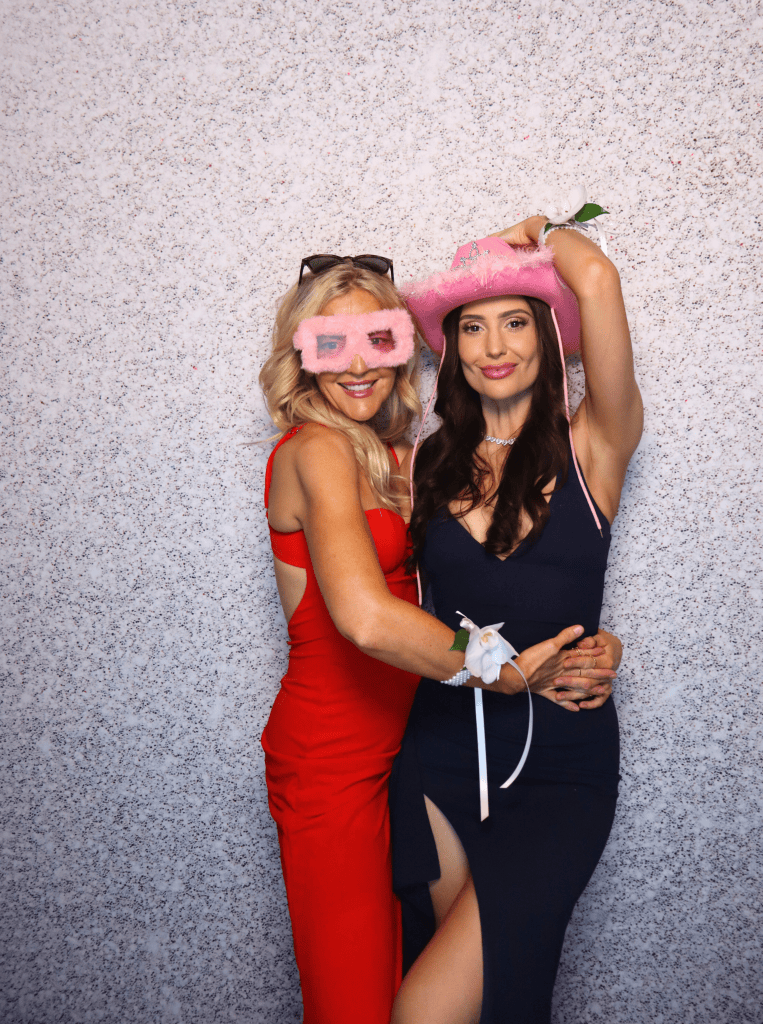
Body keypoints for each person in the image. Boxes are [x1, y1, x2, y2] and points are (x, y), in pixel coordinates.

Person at [258, 253, 621, 1024]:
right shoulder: (335, 452)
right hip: (359, 755)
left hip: (414, 746)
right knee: (367, 1004)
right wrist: (502, 673)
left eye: (378, 339)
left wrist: (597, 642)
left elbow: (492, 590)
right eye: (332, 341)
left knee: (443, 995)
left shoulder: (398, 459)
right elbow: (366, 616)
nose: (357, 363)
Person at [389, 216, 643, 1024]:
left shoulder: (593, 447)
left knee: (429, 1010)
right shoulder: (414, 463)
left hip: (559, 764)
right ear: (451, 347)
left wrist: (537, 230)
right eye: (471, 325)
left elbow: (596, 279)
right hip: (436, 760)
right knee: (501, 1000)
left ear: (548, 337)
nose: (493, 344)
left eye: (514, 320)